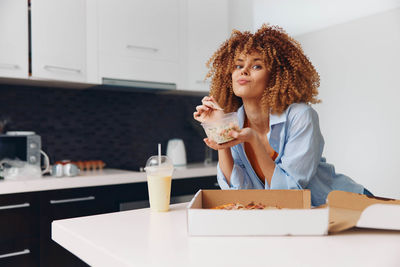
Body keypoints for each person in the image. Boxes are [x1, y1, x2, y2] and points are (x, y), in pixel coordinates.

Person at [193, 24, 372, 206]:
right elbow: (238, 191)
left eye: (256, 65)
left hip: (348, 205)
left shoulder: (301, 116)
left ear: (275, 76)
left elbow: (289, 191)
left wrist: (254, 141)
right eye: (238, 65)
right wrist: (220, 134)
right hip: (305, 217)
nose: (243, 70)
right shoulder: (236, 121)